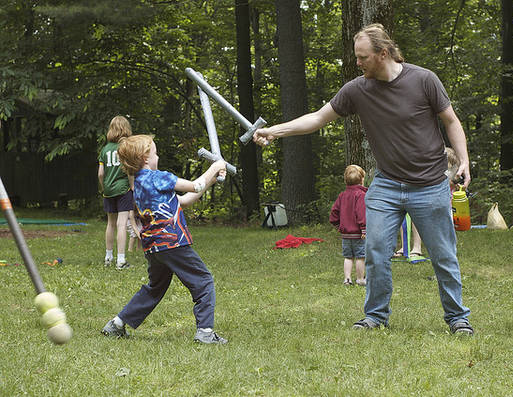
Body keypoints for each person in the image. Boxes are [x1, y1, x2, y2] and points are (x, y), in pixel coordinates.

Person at [254, 23, 473, 335]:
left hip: (429, 184)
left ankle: (457, 318)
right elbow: (318, 118)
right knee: (375, 250)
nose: (357, 63)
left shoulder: (424, 80)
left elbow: (451, 120)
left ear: (383, 54)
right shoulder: (358, 89)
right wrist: (274, 131)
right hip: (386, 185)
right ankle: (376, 316)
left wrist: (463, 160)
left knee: (443, 255)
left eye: (362, 57)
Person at [101, 134, 228, 344]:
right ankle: (205, 331)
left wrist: (211, 179)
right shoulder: (159, 177)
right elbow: (195, 185)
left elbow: (184, 201)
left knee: (155, 288)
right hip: (173, 242)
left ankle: (117, 324)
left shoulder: (140, 185)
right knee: (203, 281)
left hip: (154, 247)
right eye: (155, 152)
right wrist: (216, 166)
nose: (157, 156)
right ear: (145, 158)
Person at [98, 115, 134, 269]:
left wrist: (104, 186)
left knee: (110, 224)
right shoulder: (125, 147)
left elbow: (100, 173)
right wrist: (133, 187)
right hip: (123, 189)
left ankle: (108, 257)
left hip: (108, 189)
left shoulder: (105, 149)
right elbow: (129, 171)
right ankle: (121, 260)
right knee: (121, 224)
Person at [329, 165, 367, 286]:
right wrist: (364, 229)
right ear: (362, 180)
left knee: (348, 257)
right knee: (361, 256)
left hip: (346, 234)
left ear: (345, 180)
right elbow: (361, 213)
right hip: (358, 234)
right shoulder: (360, 195)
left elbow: (334, 212)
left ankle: (347, 279)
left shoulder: (342, 195)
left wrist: (338, 225)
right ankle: (360, 279)